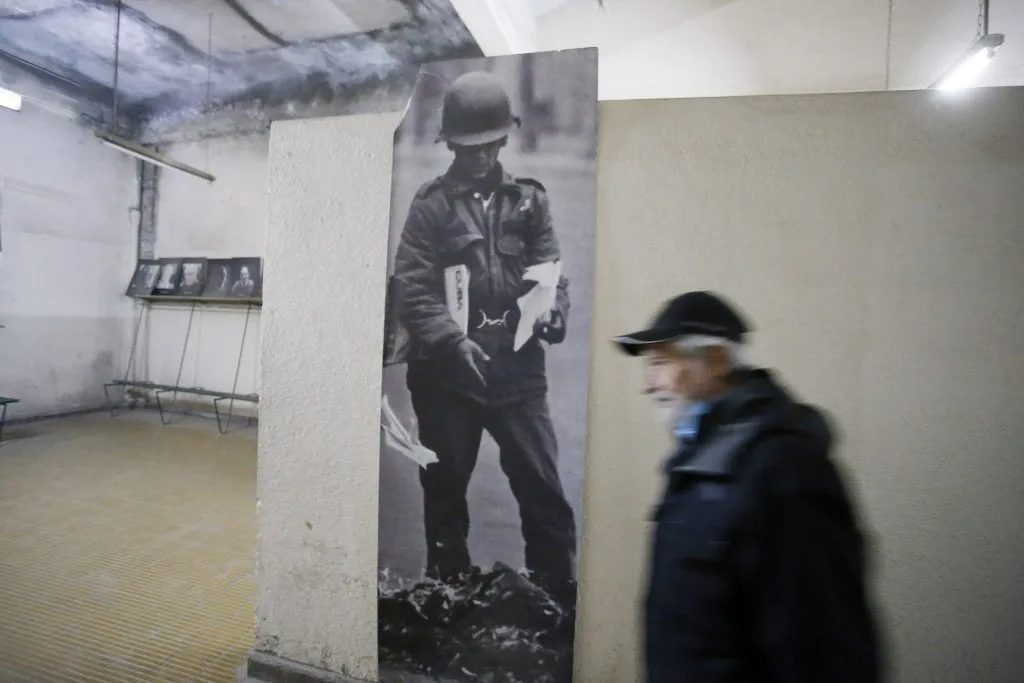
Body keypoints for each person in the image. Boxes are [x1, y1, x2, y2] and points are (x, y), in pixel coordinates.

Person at [613, 290, 882, 683]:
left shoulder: (785, 468)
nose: (648, 384)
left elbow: (824, 650)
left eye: (660, 362)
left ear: (717, 361)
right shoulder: (700, 460)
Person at [392, 71, 576, 596]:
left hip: (517, 372)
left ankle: (557, 601)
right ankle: (448, 597)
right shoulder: (430, 206)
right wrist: (452, 340)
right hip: (447, 379)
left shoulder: (530, 202)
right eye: (467, 145)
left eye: (489, 144)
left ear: (503, 138)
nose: (479, 156)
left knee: (544, 492)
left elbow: (550, 271)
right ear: (449, 142)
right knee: (446, 493)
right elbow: (412, 286)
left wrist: (552, 312)